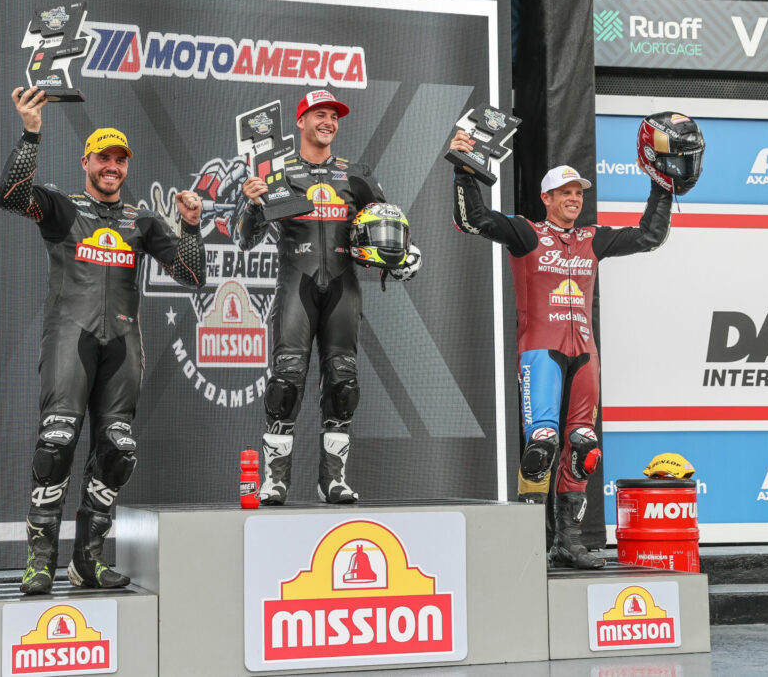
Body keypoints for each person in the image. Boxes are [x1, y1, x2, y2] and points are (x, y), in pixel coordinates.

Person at [0, 86, 206, 594]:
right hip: (71, 338)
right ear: (86, 161)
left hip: (123, 346)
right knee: (57, 441)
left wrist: (193, 227)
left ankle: (86, 563)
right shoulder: (63, 208)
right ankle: (38, 563)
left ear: (126, 167)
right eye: (103, 157)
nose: (111, 165)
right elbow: (10, 195)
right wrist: (30, 131)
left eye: (120, 159)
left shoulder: (142, 222)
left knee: (118, 450)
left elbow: (191, 276)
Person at [449, 129, 672, 568]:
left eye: (578, 192)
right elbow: (472, 220)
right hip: (541, 352)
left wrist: (660, 188)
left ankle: (567, 543)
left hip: (585, 355)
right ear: (546, 197)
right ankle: (528, 545)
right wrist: (463, 170)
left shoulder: (593, 238)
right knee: (543, 445)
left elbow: (649, 237)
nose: (574, 199)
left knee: (585, 448)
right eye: (565, 192)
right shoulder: (526, 233)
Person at [238, 90, 421, 505]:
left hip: (343, 287)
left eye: (334, 116)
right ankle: (275, 481)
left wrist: (403, 256)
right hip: (296, 287)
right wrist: (251, 205)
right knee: (286, 382)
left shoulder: (356, 175)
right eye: (319, 114)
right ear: (300, 121)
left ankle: (332, 481)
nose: (328, 122)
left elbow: (387, 229)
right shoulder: (274, 174)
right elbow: (244, 240)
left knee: (343, 382)